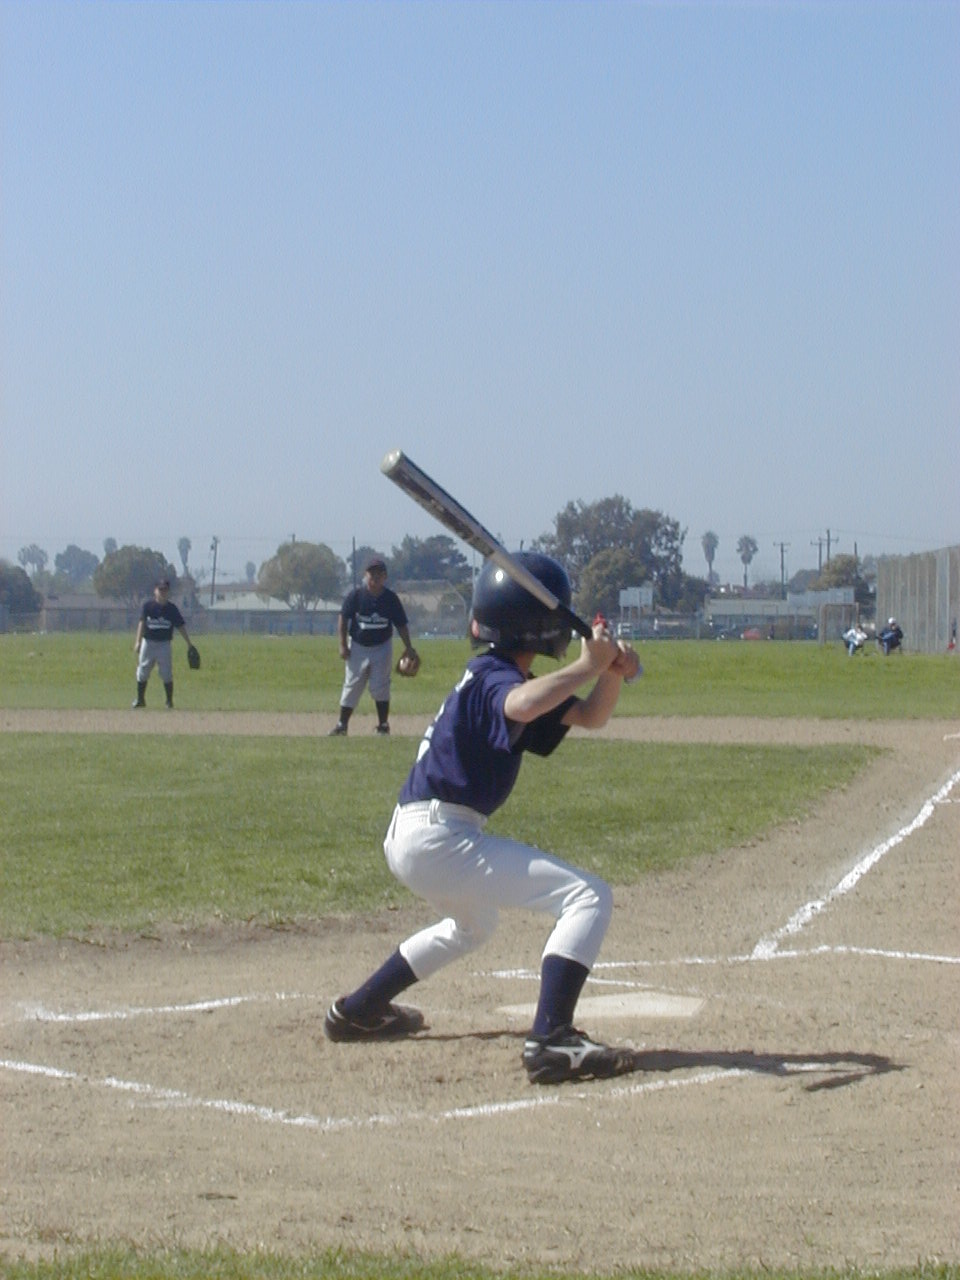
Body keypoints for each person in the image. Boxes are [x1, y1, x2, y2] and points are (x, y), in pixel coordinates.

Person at [323, 551, 642, 1086]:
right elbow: (520, 706)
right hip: (440, 836)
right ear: (542, 629)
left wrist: (609, 672)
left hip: (418, 834)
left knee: (473, 926)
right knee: (587, 896)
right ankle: (552, 1039)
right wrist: (588, 665)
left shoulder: (500, 674)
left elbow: (591, 715)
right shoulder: (496, 678)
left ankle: (359, 1009)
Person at [329, 555, 418, 736]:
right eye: (372, 573)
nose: (375, 577)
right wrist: (342, 645)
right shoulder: (356, 595)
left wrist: (408, 647)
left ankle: (383, 725)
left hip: (382, 647)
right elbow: (343, 618)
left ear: (385, 577)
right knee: (352, 684)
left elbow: (401, 624)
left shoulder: (390, 599)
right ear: (365, 575)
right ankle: (342, 724)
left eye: (379, 574)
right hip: (358, 646)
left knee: (380, 686)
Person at [132, 578, 193, 709]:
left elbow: (180, 626)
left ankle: (169, 701)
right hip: (148, 643)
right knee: (143, 670)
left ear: (168, 591)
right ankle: (140, 699)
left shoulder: (172, 609)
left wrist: (189, 643)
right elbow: (142, 623)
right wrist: (138, 641)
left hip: (164, 644)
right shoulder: (148, 606)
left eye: (165, 589)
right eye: (160, 589)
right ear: (155, 591)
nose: (162, 592)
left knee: (166, 673)